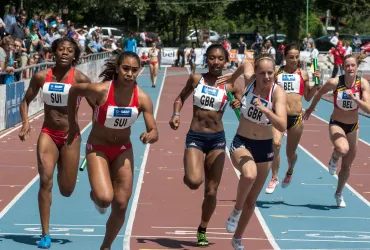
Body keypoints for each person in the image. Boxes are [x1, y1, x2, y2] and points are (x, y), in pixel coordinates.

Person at [66, 51, 159, 250]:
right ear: (117, 69)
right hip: (98, 147)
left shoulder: (142, 99)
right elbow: (74, 90)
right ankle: (95, 194)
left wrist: (150, 134)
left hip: (123, 149)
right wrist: (73, 123)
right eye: (125, 68)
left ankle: (106, 246)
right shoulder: (101, 90)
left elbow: (154, 129)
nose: (129, 73)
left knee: (122, 204)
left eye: (134, 70)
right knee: (104, 199)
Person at [18, 37, 91, 249]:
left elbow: (98, 105)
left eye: (70, 50)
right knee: (45, 181)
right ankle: (45, 234)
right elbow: (25, 102)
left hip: (70, 136)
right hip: (48, 134)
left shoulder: (80, 78)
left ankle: (67, 166)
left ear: (75, 55)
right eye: (61, 49)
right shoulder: (41, 76)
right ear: (54, 53)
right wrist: (25, 123)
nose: (65, 53)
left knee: (66, 189)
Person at [169, 44, 242, 246]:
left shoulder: (231, 85)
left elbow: (243, 108)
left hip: (217, 140)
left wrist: (239, 103)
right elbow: (179, 98)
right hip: (196, 137)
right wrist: (176, 114)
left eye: (220, 58)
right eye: (211, 58)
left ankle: (202, 228)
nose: (215, 62)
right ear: (206, 59)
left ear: (226, 61)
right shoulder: (196, 79)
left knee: (211, 191)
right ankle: (190, 172)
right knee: (193, 182)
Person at [216, 54, 287, 250]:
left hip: (264, 147)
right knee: (249, 175)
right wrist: (231, 77)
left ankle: (237, 238)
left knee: (252, 200)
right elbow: (245, 63)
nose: (266, 76)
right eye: (262, 72)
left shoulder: (277, 93)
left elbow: (282, 124)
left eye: (270, 73)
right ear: (256, 72)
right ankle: (235, 210)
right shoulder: (249, 80)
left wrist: (266, 110)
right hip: (242, 142)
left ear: (275, 73)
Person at [303, 53, 370, 208]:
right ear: (343, 67)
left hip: (353, 127)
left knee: (347, 166)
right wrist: (310, 109)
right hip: (336, 123)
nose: (350, 68)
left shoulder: (363, 84)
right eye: (347, 66)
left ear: (357, 67)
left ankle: (338, 193)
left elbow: (368, 109)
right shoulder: (335, 82)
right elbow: (319, 93)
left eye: (353, 65)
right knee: (342, 148)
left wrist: (355, 98)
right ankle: (334, 157)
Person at [265, 43, 320, 194]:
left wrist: (316, 84)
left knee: (290, 153)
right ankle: (274, 177)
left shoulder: (303, 74)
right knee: (275, 144)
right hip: (278, 115)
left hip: (296, 118)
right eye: (291, 57)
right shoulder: (276, 73)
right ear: (284, 57)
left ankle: (290, 169)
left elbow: (308, 97)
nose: (294, 60)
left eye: (297, 57)